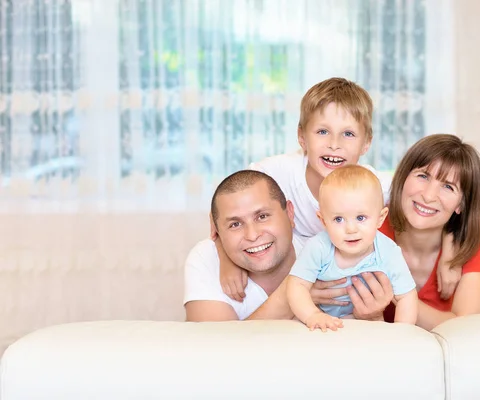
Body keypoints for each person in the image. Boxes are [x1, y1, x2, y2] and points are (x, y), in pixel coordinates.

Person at [215, 77, 459, 307]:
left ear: (366, 143)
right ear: (302, 137)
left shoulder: (374, 186)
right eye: (322, 131)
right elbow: (223, 206)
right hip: (286, 279)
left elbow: (429, 204)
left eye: (348, 134)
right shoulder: (275, 173)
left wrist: (449, 252)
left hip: (338, 290)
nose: (334, 144)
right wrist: (228, 260)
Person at [184, 169, 392, 322]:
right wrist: (294, 294)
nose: (253, 235)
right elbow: (217, 353)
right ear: (216, 228)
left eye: (263, 216)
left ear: (290, 213)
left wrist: (373, 316)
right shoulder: (207, 259)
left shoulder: (330, 253)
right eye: (235, 224)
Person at [379, 134, 480, 330]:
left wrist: (401, 296)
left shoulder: (473, 237)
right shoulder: (372, 224)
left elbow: (468, 327)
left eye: (448, 187)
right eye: (423, 176)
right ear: (403, 177)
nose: (429, 195)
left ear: (461, 204)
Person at [287, 165, 418, 331]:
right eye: (339, 219)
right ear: (323, 220)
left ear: (380, 218)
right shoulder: (318, 247)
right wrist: (312, 315)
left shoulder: (388, 251)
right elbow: (296, 285)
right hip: (322, 322)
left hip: (363, 325)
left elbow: (406, 296)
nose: (351, 229)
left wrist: (401, 333)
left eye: (361, 218)